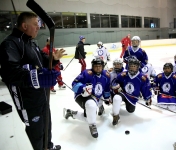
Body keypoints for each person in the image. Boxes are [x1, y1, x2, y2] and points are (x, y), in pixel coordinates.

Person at [0, 12, 65, 150]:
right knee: (36, 133)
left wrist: (55, 59)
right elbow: (10, 74)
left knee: (47, 126)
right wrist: (37, 77)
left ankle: (48, 146)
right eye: (35, 24)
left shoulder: (31, 43)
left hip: (41, 96)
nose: (38, 28)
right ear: (24, 26)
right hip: (28, 101)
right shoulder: (10, 44)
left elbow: (44, 61)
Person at [63, 58, 110, 138]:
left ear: (103, 66)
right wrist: (83, 87)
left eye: (100, 66)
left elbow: (106, 88)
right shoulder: (87, 73)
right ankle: (92, 125)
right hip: (82, 96)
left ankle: (72, 113)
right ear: (92, 66)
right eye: (96, 66)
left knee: (89, 116)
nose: (98, 68)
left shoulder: (106, 75)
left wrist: (107, 98)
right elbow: (74, 84)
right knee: (91, 108)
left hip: (96, 98)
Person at [111, 58, 152, 126]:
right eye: (131, 66)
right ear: (128, 66)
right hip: (123, 93)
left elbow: (145, 88)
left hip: (133, 97)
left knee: (130, 110)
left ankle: (127, 105)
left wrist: (147, 98)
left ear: (137, 67)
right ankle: (116, 116)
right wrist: (116, 86)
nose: (132, 68)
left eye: (134, 66)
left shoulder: (142, 77)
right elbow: (115, 82)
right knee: (116, 98)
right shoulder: (123, 74)